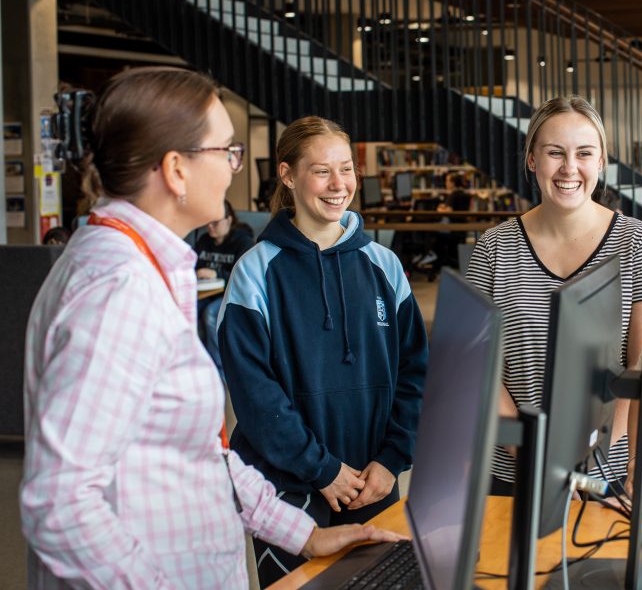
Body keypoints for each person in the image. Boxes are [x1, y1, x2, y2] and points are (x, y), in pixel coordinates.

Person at [20, 67, 402, 590]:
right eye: (227, 152)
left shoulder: (145, 268)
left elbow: (200, 453)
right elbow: (61, 504)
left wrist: (304, 536)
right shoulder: (118, 292)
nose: (232, 169)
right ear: (177, 170)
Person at [218, 115, 429, 587]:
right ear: (288, 175)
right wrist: (323, 469)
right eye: (321, 171)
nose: (339, 184)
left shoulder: (384, 265)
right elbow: (255, 397)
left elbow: (416, 370)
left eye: (347, 168)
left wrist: (392, 459)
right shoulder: (255, 272)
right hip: (288, 488)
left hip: (374, 481)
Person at [465, 95, 642, 494]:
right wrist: (525, 449)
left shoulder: (638, 244)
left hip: (607, 477)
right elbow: (477, 366)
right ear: (532, 160)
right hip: (512, 472)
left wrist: (598, 457)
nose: (569, 168)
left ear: (601, 162)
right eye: (555, 152)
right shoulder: (493, 248)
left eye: (584, 153)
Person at [194, 199, 254, 369]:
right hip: (207, 292)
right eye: (208, 222)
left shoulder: (243, 242)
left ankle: (220, 368)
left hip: (233, 293)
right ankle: (198, 364)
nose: (210, 226)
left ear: (228, 220)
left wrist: (217, 274)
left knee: (211, 313)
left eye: (215, 222)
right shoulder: (204, 241)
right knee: (189, 309)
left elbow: (245, 276)